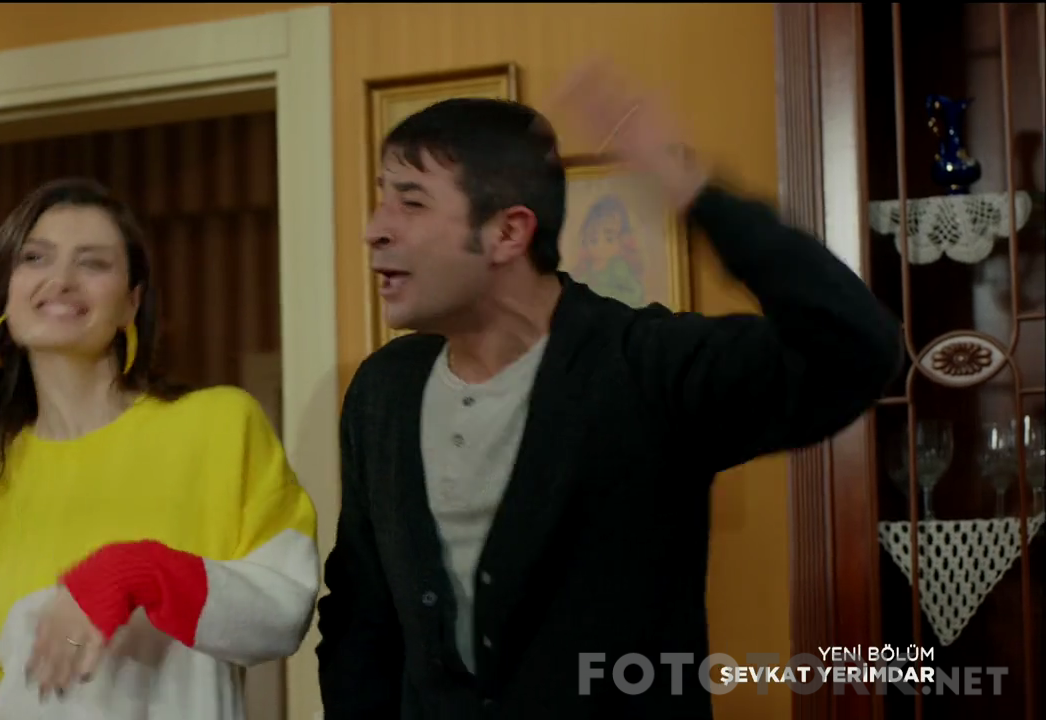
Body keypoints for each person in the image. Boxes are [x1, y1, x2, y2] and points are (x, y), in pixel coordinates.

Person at [315, 61, 902, 718]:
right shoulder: (384, 391)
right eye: (382, 198)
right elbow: (360, 617)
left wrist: (699, 196)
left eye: (411, 201)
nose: (375, 228)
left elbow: (857, 348)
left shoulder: (646, 366)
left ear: (507, 232)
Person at [0, 178, 319, 719]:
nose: (61, 280)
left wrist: (137, 573)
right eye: (34, 258)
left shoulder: (219, 426)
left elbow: (284, 606)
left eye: (93, 263)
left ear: (132, 303)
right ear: (5, 295)